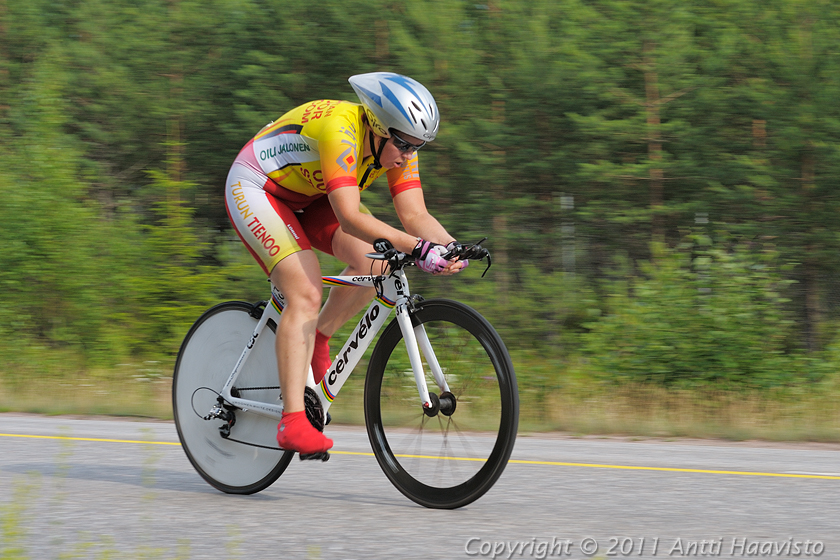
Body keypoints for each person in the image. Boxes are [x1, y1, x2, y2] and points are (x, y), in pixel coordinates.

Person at [224, 72, 466, 455]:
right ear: (377, 126)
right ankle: (292, 421)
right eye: (403, 144)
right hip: (258, 187)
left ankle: (319, 335)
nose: (408, 154)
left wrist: (451, 247)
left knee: (379, 264)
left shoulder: (396, 143)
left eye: (418, 146)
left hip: (309, 195)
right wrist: (420, 250)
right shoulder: (341, 130)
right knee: (305, 292)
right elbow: (351, 217)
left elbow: (415, 214)